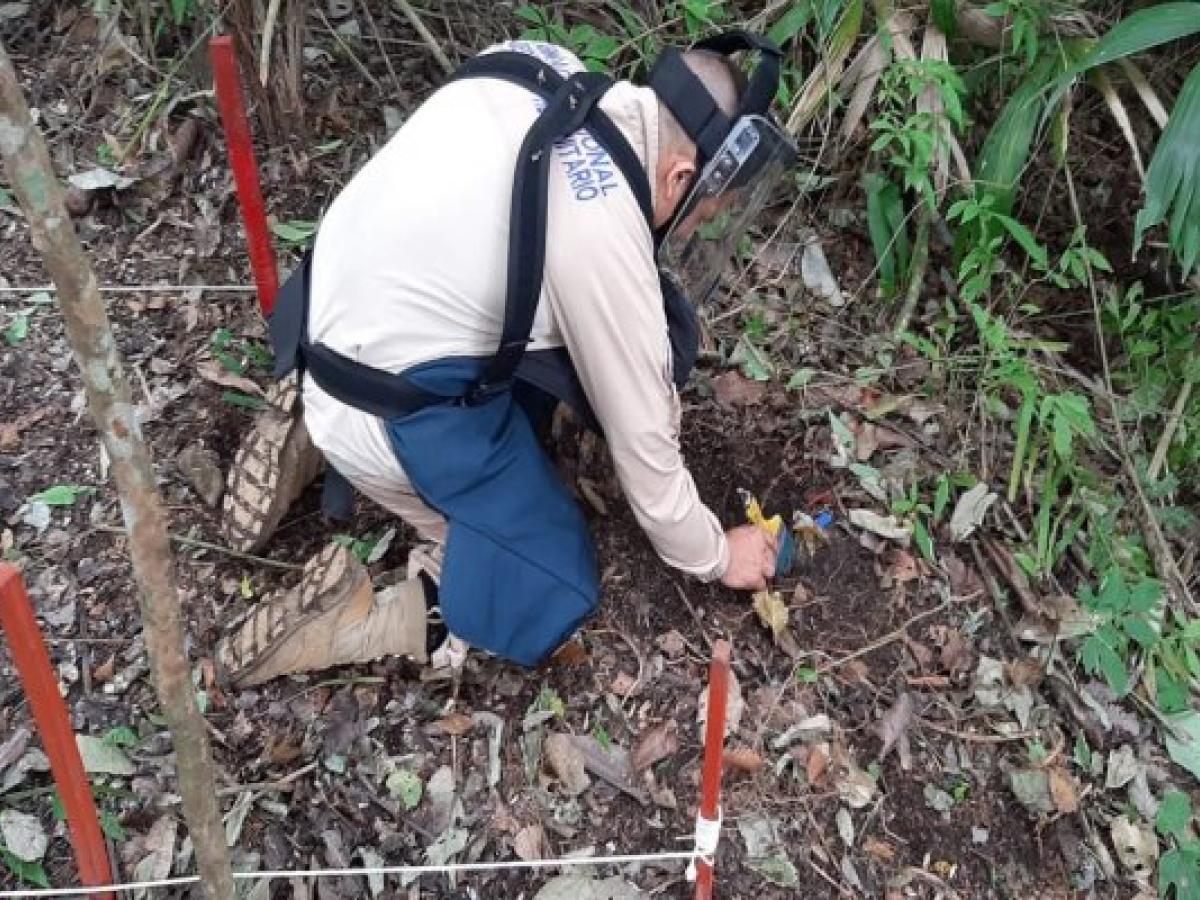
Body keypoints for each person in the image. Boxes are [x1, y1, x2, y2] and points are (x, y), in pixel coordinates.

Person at [214, 30, 796, 688]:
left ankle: (302, 416)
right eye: (700, 215)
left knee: (518, 331)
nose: (690, 229)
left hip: (321, 312)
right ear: (680, 176)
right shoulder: (603, 238)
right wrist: (719, 554)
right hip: (376, 400)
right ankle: (385, 617)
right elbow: (651, 469)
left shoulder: (539, 64)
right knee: (551, 575)